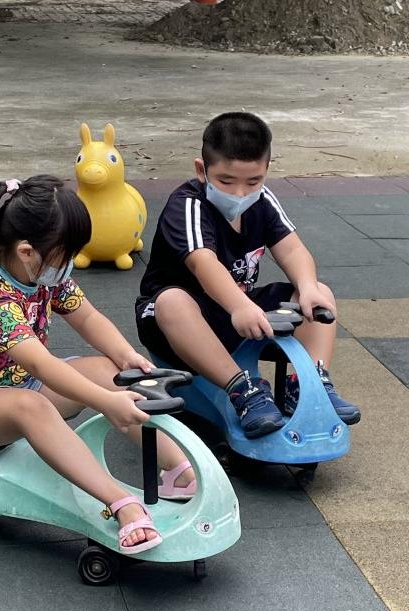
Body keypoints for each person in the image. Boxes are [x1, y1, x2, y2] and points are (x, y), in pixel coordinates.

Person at [0, 175, 196, 555]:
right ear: (27, 252)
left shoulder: (43, 277)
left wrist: (125, 356)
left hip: (19, 384)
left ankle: (178, 470)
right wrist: (106, 402)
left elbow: (87, 318)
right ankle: (120, 503)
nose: (69, 264)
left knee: (107, 372)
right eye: (65, 254)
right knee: (33, 405)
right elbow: (42, 365)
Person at [135, 112, 360, 439]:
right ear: (201, 170)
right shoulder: (188, 205)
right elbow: (203, 263)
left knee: (319, 292)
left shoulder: (263, 201)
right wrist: (240, 306)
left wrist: (307, 286)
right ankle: (242, 389)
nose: (240, 193)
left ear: (266, 170)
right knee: (172, 301)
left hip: (238, 310)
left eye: (253, 181)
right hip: (178, 320)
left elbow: (292, 250)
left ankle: (311, 383)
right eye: (226, 181)